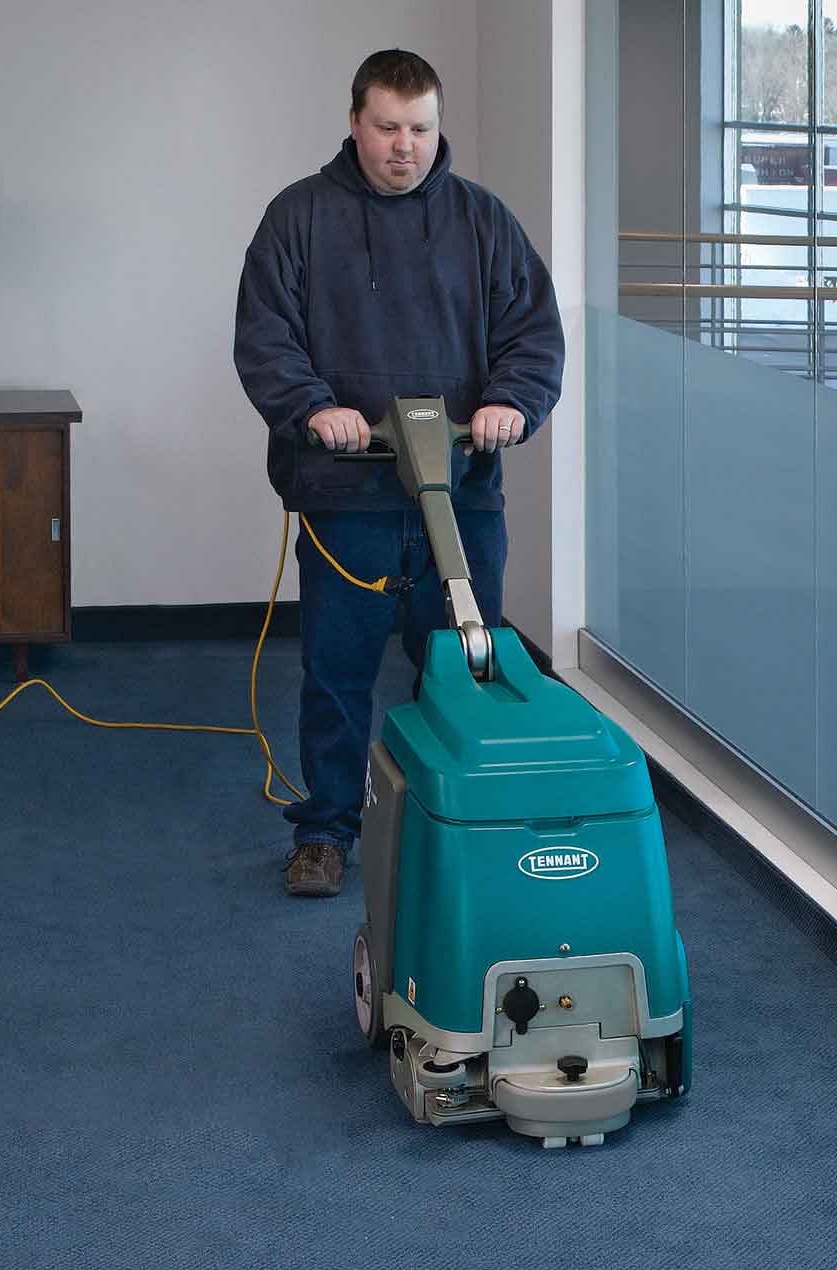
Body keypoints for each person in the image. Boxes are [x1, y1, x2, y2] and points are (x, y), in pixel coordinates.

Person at [234, 49, 565, 898]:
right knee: (338, 673)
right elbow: (266, 336)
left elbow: (533, 334)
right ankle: (325, 832)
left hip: (460, 494)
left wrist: (512, 404)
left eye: (420, 130)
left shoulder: (481, 222)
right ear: (355, 122)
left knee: (458, 667)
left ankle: (444, 826)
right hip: (347, 497)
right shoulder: (299, 218)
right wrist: (314, 408)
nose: (403, 147)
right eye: (387, 128)